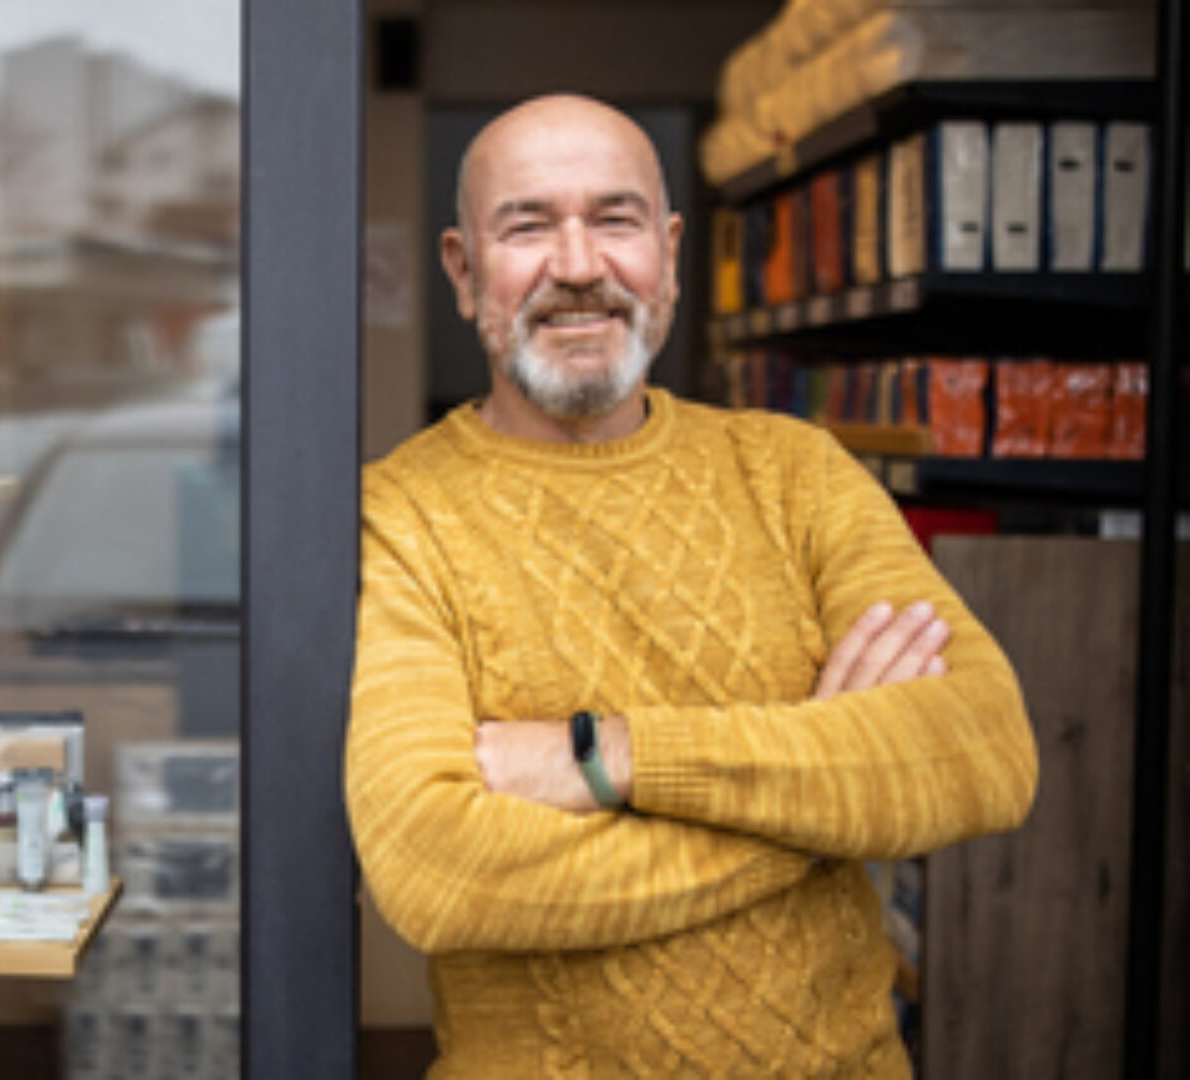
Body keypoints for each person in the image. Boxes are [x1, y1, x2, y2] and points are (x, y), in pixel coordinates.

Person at [345, 94, 1038, 1078]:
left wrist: (609, 755)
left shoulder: (796, 470)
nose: (578, 266)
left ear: (669, 255)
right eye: (529, 224)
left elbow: (985, 745)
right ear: (464, 271)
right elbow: (437, 867)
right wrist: (815, 812)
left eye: (615, 219)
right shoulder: (398, 515)